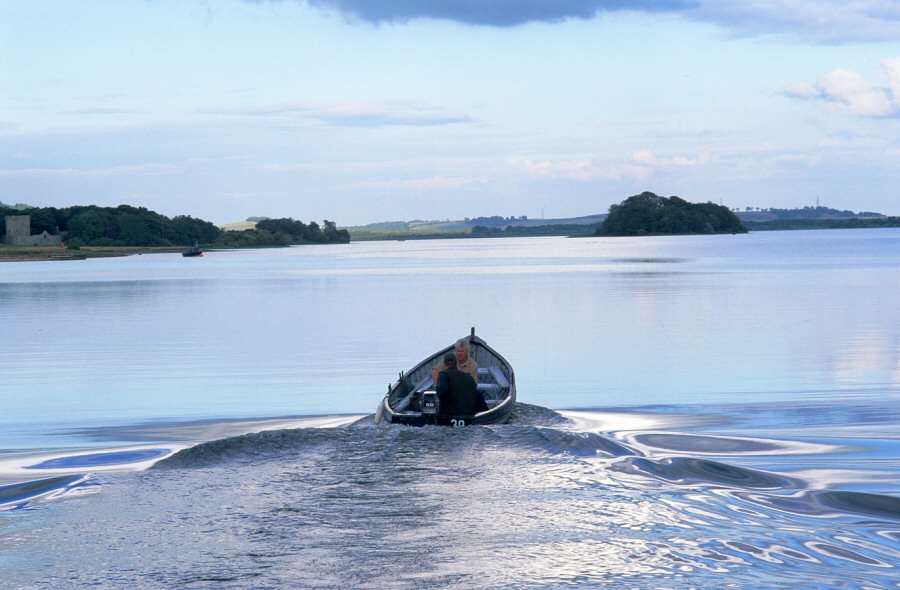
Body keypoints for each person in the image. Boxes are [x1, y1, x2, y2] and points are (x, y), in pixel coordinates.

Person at [434, 351, 486, 420]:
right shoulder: (469, 377)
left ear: (444, 364)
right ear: (456, 363)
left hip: (448, 418)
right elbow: (475, 394)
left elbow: (441, 392)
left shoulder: (444, 375)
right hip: (470, 418)